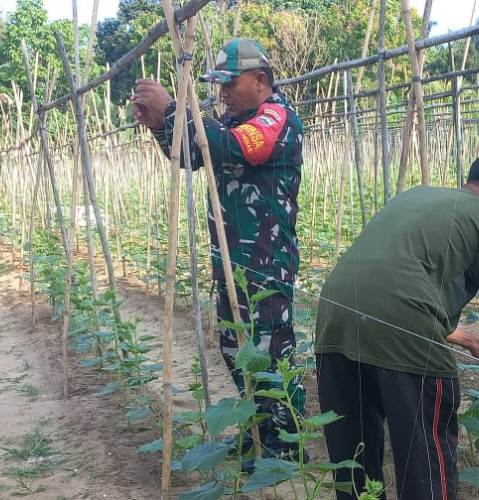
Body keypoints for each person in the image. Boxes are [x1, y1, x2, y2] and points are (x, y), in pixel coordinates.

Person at [314, 150, 479, 500]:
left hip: (334, 320)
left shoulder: (416, 196)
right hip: (404, 332)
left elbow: (390, 275)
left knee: (354, 462)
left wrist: (459, 335)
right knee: (426, 466)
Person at [130, 38, 306, 465]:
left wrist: (175, 109)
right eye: (218, 85)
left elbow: (236, 147)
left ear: (261, 80)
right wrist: (159, 125)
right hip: (230, 262)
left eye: (229, 83)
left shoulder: (275, 119)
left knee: (270, 350)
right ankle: (257, 428)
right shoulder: (230, 122)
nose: (222, 92)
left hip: (265, 262)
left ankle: (285, 442)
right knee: (235, 346)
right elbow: (193, 155)